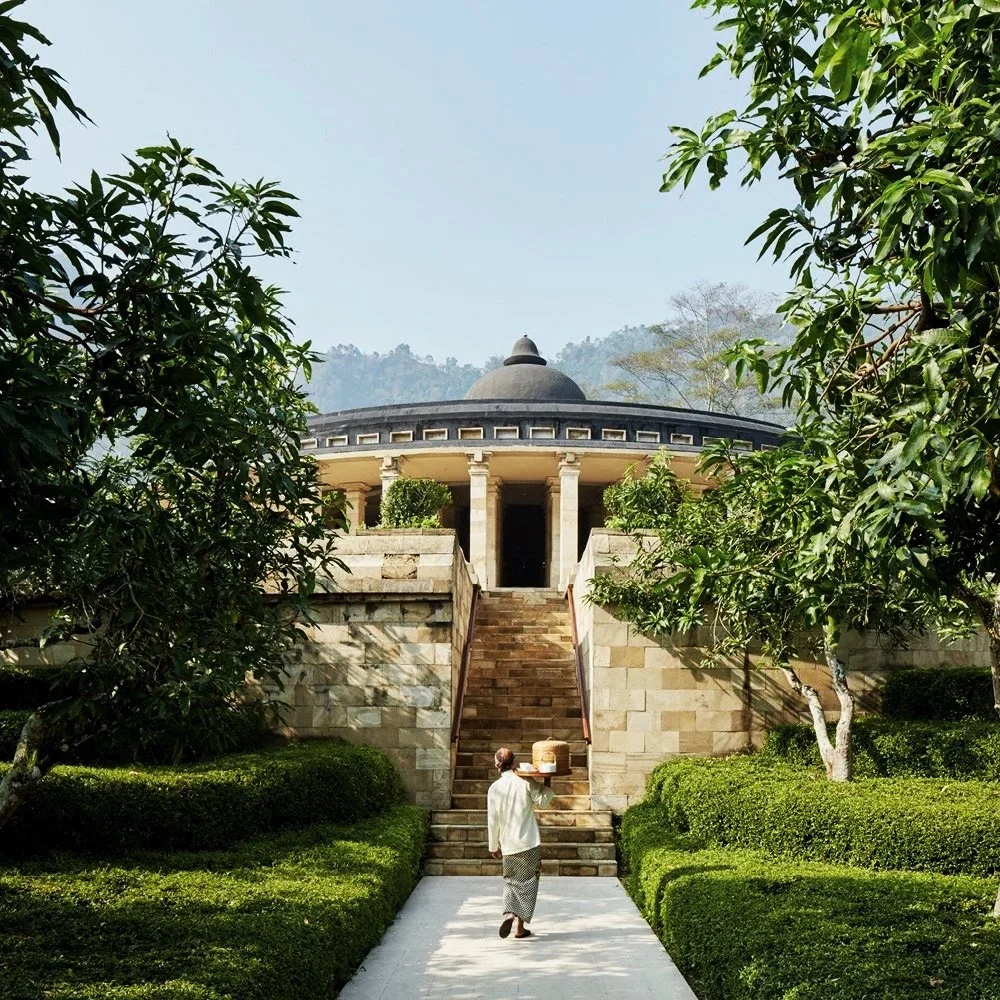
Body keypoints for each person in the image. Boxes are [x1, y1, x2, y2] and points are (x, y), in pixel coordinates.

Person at [487, 746, 554, 939]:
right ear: (514, 762)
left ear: (497, 765)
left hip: (508, 844)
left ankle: (509, 913)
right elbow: (542, 801)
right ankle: (520, 928)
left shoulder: (494, 789)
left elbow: (493, 820)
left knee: (511, 882)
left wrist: (493, 846)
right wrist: (547, 779)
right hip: (529, 843)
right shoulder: (525, 781)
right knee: (528, 883)